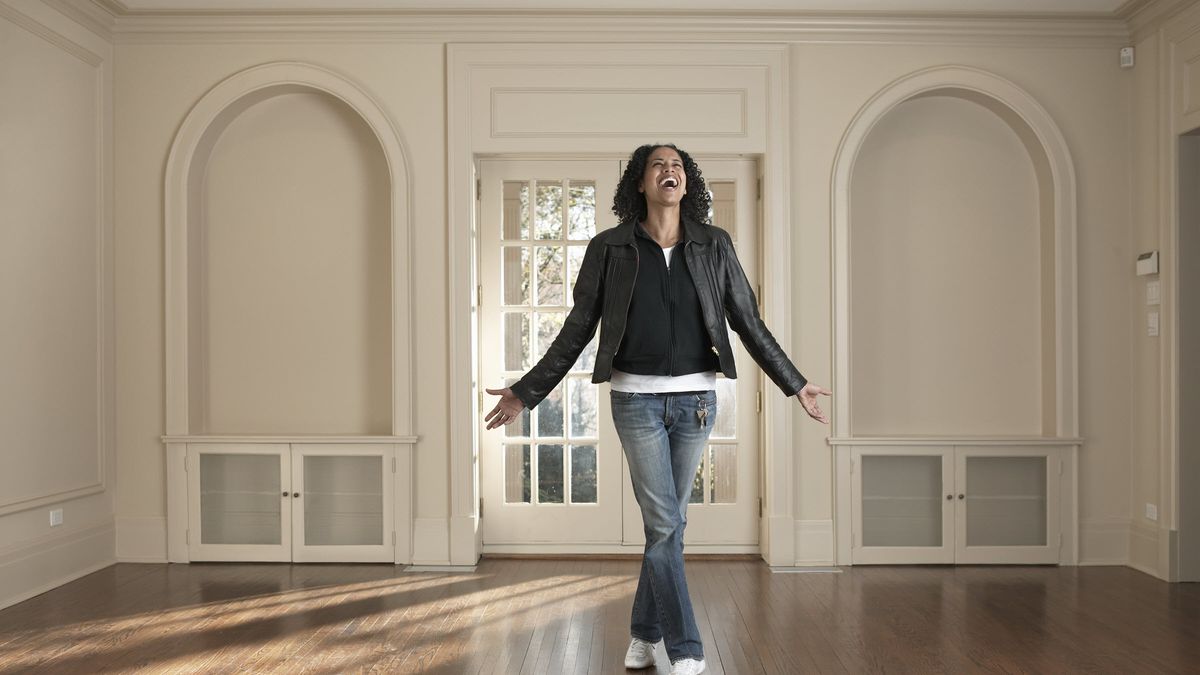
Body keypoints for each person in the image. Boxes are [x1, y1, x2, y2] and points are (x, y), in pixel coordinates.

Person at [484, 144, 830, 675]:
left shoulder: (714, 245)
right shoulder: (611, 247)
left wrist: (795, 382)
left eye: (677, 167)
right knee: (666, 524)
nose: (669, 172)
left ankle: (645, 635)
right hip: (635, 400)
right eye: (657, 166)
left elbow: (747, 322)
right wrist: (525, 391)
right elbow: (578, 329)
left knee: (667, 526)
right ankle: (687, 647)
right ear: (640, 184)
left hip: (696, 402)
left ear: (686, 182)